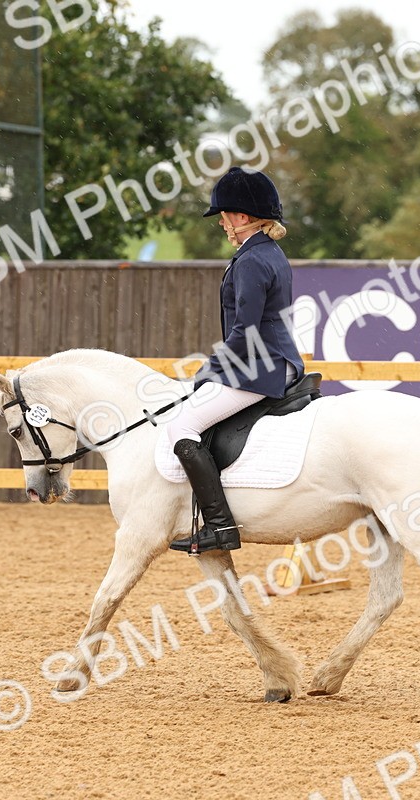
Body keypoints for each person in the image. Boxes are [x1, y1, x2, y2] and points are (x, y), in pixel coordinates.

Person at [167, 167, 305, 555]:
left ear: (243, 217)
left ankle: (220, 525)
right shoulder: (268, 253)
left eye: (225, 216)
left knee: (182, 424)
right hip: (274, 359)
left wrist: (209, 372)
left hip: (261, 366)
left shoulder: (250, 261)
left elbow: (244, 333)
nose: (223, 224)